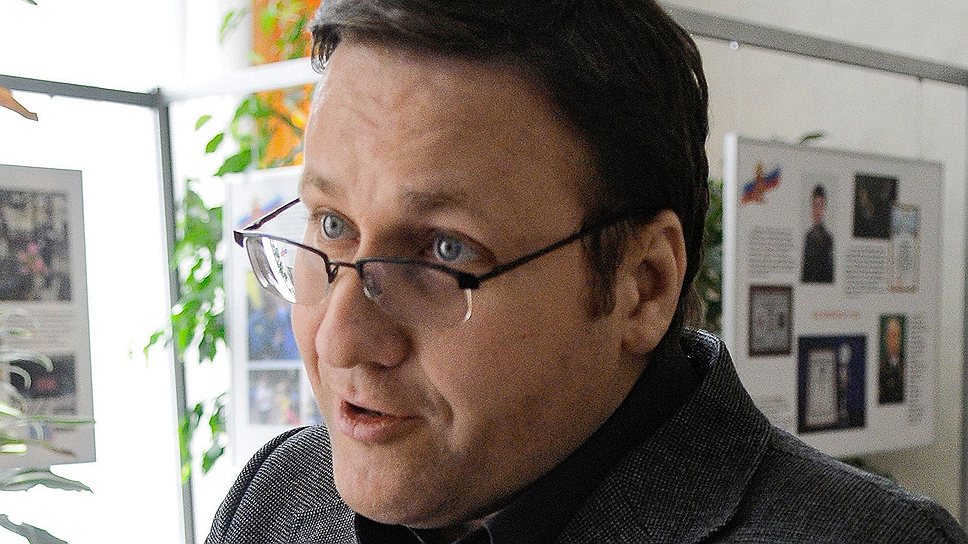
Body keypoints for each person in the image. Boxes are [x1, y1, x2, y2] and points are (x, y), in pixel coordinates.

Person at [208, 1, 967, 543]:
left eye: (444, 252)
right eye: (331, 224)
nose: (339, 338)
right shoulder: (279, 498)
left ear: (643, 285)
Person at [801, 184, 835, 283]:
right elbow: (804, 272)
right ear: (811, 208)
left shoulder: (829, 238)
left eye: (821, 206)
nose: (818, 211)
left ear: (824, 209)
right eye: (815, 206)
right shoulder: (807, 236)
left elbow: (830, 275)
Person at [879, 316, 905, 404]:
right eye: (889, 336)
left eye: (894, 336)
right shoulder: (880, 366)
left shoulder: (906, 363)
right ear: (885, 339)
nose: (892, 341)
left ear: (899, 338)